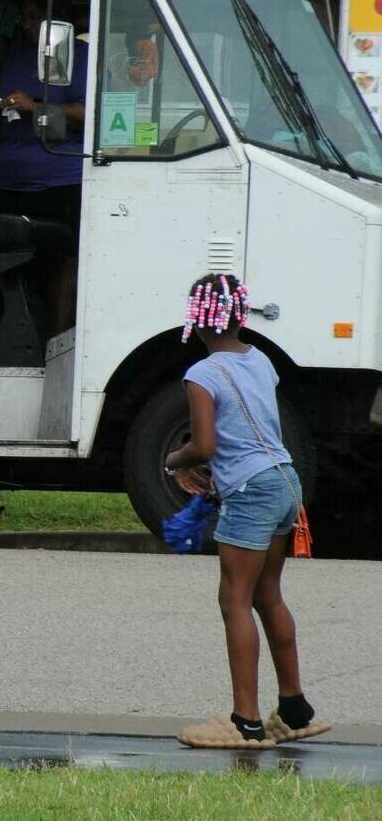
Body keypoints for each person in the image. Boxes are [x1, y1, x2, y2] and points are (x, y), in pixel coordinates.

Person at [164, 274, 329, 749]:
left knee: (234, 600)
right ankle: (294, 707)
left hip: (252, 490)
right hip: (283, 479)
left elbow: (206, 445)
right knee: (267, 595)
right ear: (240, 314)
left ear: (197, 317)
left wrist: (174, 461)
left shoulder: (201, 374)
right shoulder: (260, 359)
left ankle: (246, 720)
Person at [0, 0, 87, 338]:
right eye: (24, 16)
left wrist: (34, 107)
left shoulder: (78, 55)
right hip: (7, 179)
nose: (28, 24)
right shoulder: (15, 54)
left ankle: (55, 342)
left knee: (56, 265)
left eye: (36, 17)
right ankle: (7, 341)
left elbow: (86, 113)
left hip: (58, 178)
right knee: (5, 265)